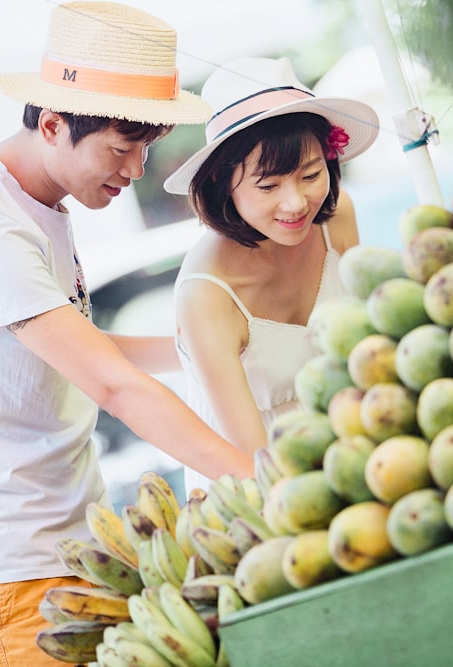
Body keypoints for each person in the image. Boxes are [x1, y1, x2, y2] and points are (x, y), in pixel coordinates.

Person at [0, 3, 252, 665]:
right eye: (122, 147)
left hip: (72, 549)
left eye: (145, 147)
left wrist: (212, 345)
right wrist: (253, 479)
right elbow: (113, 385)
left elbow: (81, 350)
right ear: (54, 124)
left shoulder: (41, 206)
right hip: (4, 575)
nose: (136, 169)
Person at [162, 57, 379, 493]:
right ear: (224, 185)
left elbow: (369, 350)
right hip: (265, 492)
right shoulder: (206, 294)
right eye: (268, 186)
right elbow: (254, 459)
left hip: (359, 459)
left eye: (311, 174)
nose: (296, 203)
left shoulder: (336, 219)